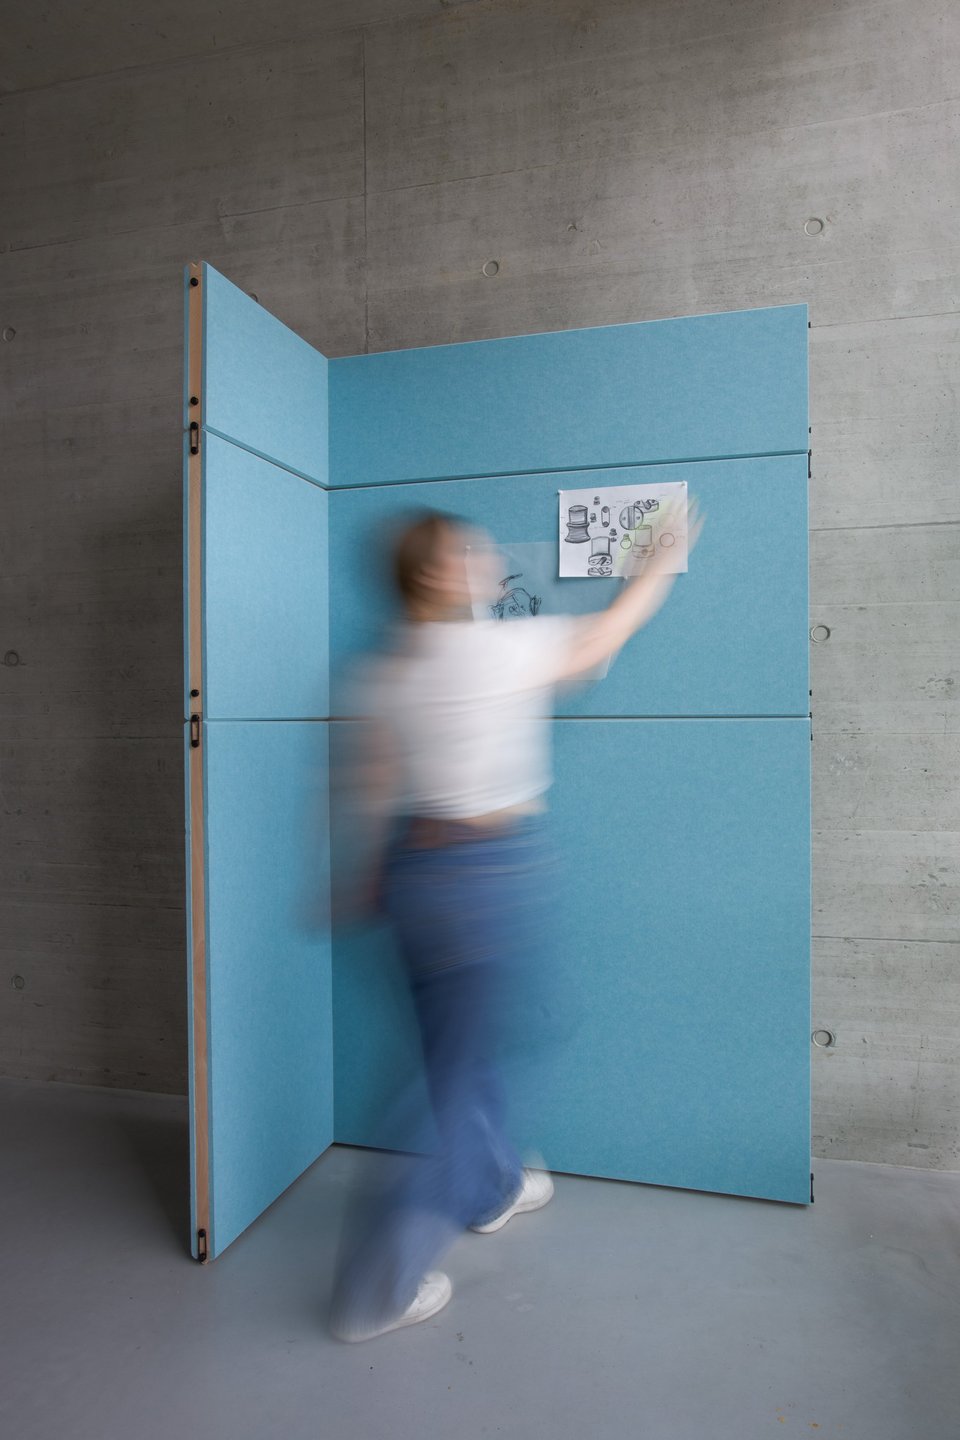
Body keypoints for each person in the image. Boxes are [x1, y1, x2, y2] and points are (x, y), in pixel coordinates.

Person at [330, 501, 702, 1342]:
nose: (490, 560)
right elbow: (604, 637)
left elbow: (375, 776)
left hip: (415, 871)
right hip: (486, 875)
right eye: (473, 550)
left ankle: (488, 1187)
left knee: (457, 1050)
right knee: (480, 1061)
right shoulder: (496, 647)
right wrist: (655, 563)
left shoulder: (386, 667)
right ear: (436, 573)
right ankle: (381, 1285)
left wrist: (364, 875)